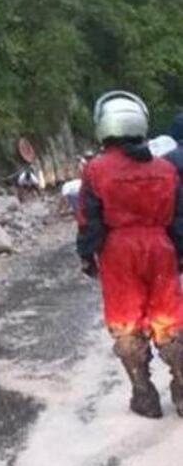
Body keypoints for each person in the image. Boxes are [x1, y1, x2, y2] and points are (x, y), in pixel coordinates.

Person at [78, 91, 183, 418]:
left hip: (118, 252)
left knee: (125, 324)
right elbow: (179, 218)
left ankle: (144, 396)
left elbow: (89, 220)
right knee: (172, 321)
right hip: (160, 248)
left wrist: (86, 256)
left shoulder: (96, 170)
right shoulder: (166, 169)